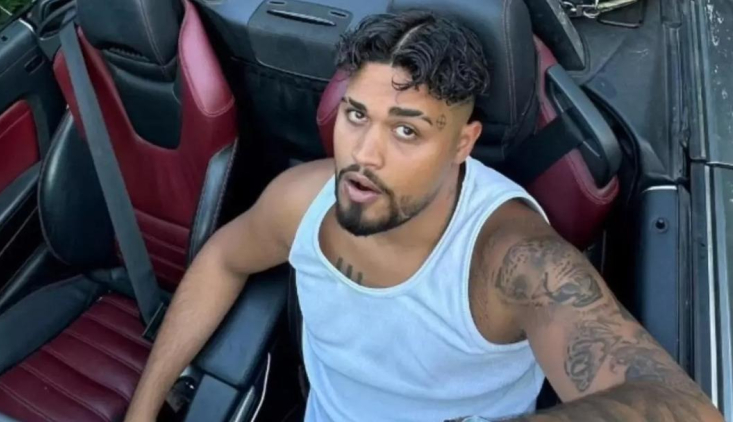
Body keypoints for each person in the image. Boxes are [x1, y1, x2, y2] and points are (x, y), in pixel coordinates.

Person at [125, 10, 723, 422]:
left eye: (406, 130)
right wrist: (143, 408)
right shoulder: (301, 200)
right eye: (356, 115)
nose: (364, 155)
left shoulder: (509, 259)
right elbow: (223, 260)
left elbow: (682, 408)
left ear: (463, 143)